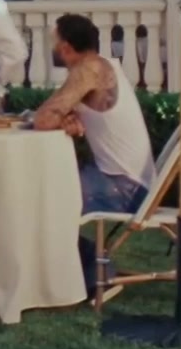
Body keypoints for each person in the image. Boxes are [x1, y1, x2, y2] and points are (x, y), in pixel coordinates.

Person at [35, 14, 157, 215]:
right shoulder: (100, 65)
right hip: (129, 183)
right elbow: (54, 115)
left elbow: (43, 119)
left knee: (41, 193)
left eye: (53, 42)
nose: (51, 48)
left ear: (65, 48)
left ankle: (72, 241)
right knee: (45, 184)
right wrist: (64, 119)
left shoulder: (89, 70)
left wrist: (56, 118)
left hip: (126, 189)